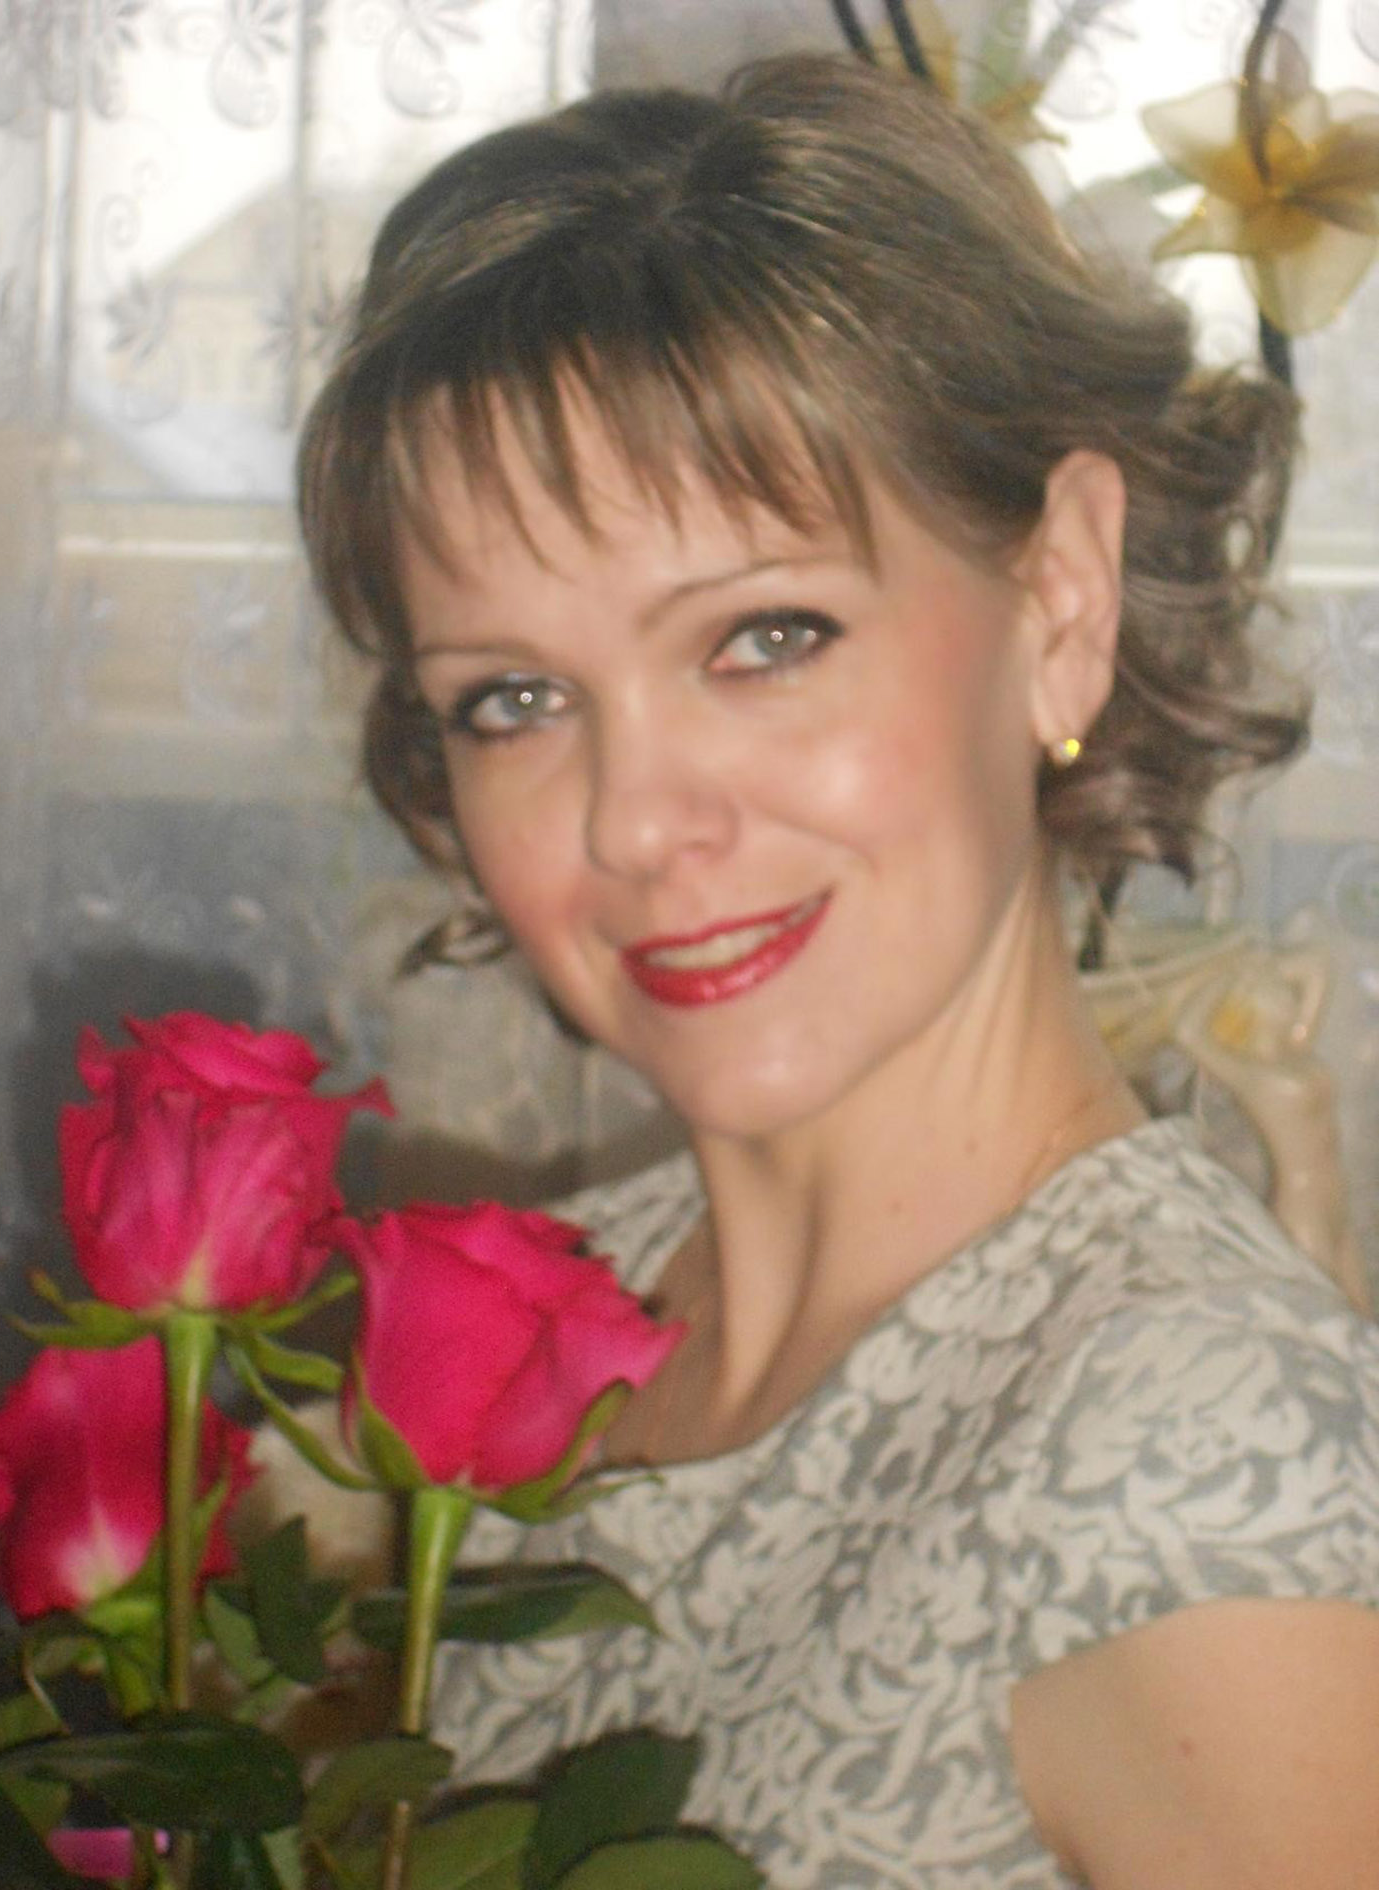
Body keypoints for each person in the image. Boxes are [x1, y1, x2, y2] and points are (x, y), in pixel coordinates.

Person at [298, 53, 1379, 1890]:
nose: (634, 820)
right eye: (516, 697)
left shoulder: (1199, 1477)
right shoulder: (548, 1323)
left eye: (763, 636)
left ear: (1059, 602)